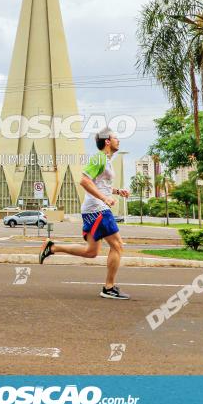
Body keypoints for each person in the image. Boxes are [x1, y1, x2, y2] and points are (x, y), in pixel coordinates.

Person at [39, 128, 130, 299]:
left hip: (94, 209)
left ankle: (52, 247)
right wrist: (105, 198)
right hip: (98, 209)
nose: (119, 140)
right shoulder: (99, 158)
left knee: (91, 252)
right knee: (117, 246)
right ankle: (108, 288)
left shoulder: (106, 160)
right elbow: (84, 181)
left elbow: (99, 183)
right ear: (107, 141)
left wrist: (117, 191)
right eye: (116, 137)